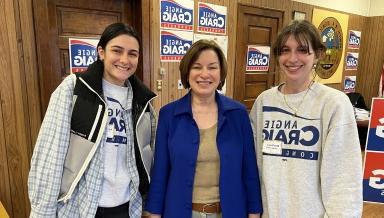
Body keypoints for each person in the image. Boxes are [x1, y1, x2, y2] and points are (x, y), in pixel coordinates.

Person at [28, 22, 157, 218]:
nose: (125, 59)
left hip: (128, 208)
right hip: (81, 208)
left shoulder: (143, 102)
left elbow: (148, 159)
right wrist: (41, 213)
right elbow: (50, 157)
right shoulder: (74, 89)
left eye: (132, 53)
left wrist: (149, 204)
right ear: (101, 52)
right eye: (117, 50)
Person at [249, 20, 363, 217]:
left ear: (317, 55)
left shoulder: (334, 104)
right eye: (285, 50)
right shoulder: (264, 102)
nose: (292, 58)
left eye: (302, 50)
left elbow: (344, 182)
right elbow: (254, 167)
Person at [145, 39, 263, 218]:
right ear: (187, 72)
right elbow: (160, 170)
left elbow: (249, 169)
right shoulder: (169, 114)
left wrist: (254, 211)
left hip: (230, 212)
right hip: (180, 212)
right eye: (197, 67)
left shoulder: (238, 114)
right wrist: (154, 213)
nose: (204, 74)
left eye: (212, 67)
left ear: (221, 72)